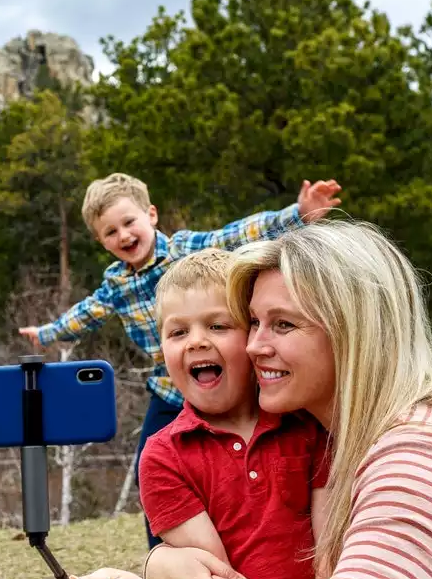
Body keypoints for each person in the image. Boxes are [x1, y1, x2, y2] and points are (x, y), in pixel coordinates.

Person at [43, 220, 432, 579]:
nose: (256, 346)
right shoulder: (368, 433)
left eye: (283, 326)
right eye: (255, 323)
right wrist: (162, 562)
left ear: (353, 333)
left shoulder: (420, 454)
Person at [19, 172, 343, 548]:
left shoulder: (185, 250)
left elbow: (236, 234)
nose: (123, 236)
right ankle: (163, 549)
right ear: (100, 241)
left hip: (230, 378)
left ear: (151, 215)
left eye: (129, 223)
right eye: (110, 232)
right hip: (168, 387)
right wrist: (45, 335)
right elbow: (83, 315)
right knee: (151, 465)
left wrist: (297, 214)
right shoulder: (115, 285)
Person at [140, 248, 331, 579]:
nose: (197, 340)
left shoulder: (307, 424)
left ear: (252, 339)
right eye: (178, 332)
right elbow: (215, 578)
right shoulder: (163, 457)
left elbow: (329, 551)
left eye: (218, 326)